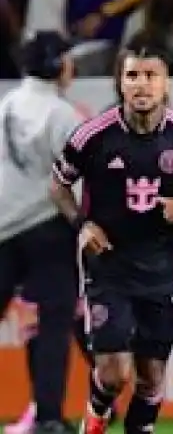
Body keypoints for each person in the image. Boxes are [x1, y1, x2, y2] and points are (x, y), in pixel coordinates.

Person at [48, 42, 173, 434]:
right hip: (107, 266)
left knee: (152, 376)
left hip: (159, 270)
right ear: (120, 84)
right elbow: (58, 188)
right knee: (113, 373)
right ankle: (96, 413)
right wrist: (82, 225)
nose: (142, 84)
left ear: (166, 84)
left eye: (150, 75)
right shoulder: (92, 135)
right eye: (132, 76)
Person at [0, 31, 81, 434]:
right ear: (54, 64)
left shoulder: (7, 106)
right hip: (47, 228)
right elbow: (77, 181)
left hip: (3, 228)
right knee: (53, 326)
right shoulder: (62, 114)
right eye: (66, 57)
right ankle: (48, 417)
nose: (72, 65)